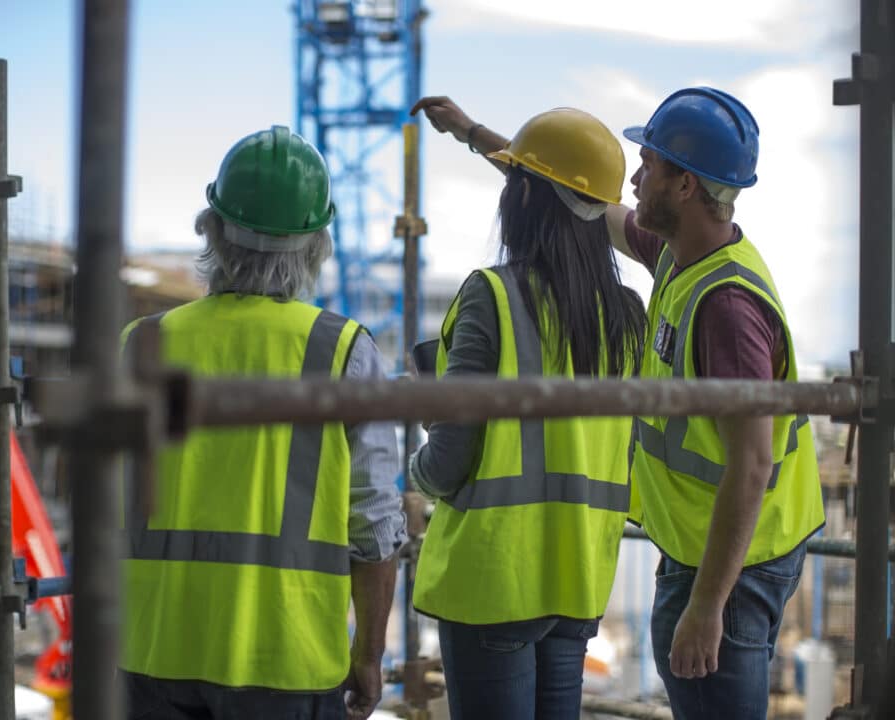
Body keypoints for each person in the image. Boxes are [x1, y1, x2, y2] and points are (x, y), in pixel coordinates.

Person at [412, 89, 825, 719]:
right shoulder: (682, 257)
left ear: (684, 186)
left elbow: (752, 464)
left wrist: (708, 609)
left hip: (737, 565)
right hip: (690, 551)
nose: (632, 179)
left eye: (649, 165)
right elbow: (573, 197)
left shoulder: (726, 307)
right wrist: (474, 134)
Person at [118, 126, 407, 720]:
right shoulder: (341, 350)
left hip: (150, 649)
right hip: (287, 658)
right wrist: (369, 656)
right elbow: (375, 523)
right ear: (317, 245)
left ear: (213, 230)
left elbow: (97, 503)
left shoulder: (142, 344)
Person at [408, 107, 647, 719]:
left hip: (495, 580)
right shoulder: (625, 315)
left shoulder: (493, 296)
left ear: (526, 200)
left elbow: (448, 459)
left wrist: (417, 467)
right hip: (579, 577)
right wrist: (472, 134)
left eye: (515, 181)